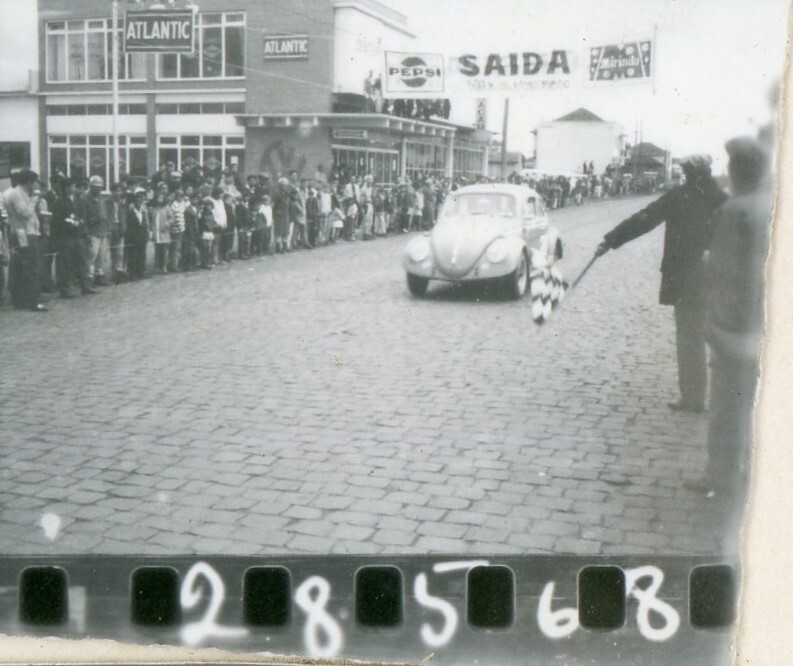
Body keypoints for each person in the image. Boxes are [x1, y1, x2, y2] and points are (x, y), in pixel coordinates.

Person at [595, 154, 727, 413]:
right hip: (720, 277)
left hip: (687, 279)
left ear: (688, 172)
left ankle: (693, 398)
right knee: (720, 337)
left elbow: (644, 219)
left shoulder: (678, 197)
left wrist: (611, 240)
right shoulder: (722, 198)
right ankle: (724, 398)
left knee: (689, 337)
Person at [686, 137, 773, 500]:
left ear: (735, 171)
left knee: (726, 407)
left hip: (735, 326)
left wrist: (714, 322)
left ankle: (719, 477)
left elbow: (722, 271)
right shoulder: (772, 206)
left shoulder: (734, 211)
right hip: (767, 325)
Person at [3, 169, 47, 311]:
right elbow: (24, 213)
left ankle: (22, 300)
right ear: (28, 182)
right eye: (34, 182)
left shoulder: (17, 193)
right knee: (32, 266)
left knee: (22, 266)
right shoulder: (17, 194)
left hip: (22, 232)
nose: (35, 185)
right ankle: (33, 300)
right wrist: (34, 200)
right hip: (26, 234)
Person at [52, 177, 96, 297]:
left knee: (82, 261)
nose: (73, 188)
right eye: (71, 186)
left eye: (73, 186)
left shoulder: (78, 200)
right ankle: (65, 289)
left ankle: (85, 286)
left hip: (78, 235)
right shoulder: (59, 202)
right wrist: (69, 224)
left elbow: (82, 217)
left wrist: (84, 231)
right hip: (66, 237)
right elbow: (57, 221)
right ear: (65, 188)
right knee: (65, 263)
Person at [83, 175, 111, 286]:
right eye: (96, 187)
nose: (99, 189)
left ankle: (99, 275)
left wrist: (107, 229)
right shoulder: (85, 199)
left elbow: (105, 215)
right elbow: (84, 217)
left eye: (100, 187)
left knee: (101, 255)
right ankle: (88, 278)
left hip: (102, 230)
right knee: (91, 256)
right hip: (92, 231)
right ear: (91, 187)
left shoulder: (101, 199)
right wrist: (88, 230)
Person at [125, 188, 150, 280]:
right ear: (134, 203)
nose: (139, 204)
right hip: (133, 238)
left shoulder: (142, 212)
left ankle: (141, 272)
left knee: (142, 255)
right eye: (138, 202)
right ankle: (132, 274)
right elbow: (129, 226)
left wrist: (146, 234)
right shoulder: (131, 213)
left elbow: (145, 224)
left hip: (142, 237)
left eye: (141, 202)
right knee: (133, 256)